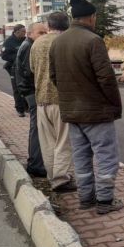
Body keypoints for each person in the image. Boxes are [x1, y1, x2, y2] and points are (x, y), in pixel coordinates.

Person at [50, 0, 123, 215]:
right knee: (106, 156)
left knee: (81, 158)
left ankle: (86, 198)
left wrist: (71, 97)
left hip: (72, 112)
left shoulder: (58, 42)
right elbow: (106, 79)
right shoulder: (93, 41)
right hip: (96, 112)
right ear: (91, 18)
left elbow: (54, 77)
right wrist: (114, 104)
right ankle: (105, 201)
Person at [30, 12, 77, 192]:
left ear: (48, 26)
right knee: (63, 142)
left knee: (48, 143)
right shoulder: (65, 42)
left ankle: (52, 177)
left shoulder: (37, 43)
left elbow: (33, 68)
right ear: (67, 25)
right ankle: (61, 179)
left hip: (41, 99)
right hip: (62, 100)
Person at [16, 23, 48, 178]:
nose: (44, 35)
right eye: (40, 33)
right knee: (37, 129)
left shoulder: (27, 44)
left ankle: (36, 162)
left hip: (29, 91)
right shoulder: (30, 46)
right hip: (32, 92)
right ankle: (36, 164)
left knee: (37, 128)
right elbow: (31, 72)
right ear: (29, 33)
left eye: (45, 32)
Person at [3, 24, 29, 117]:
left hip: (25, 67)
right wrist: (17, 58)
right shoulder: (9, 42)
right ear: (17, 32)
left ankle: (27, 106)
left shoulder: (25, 40)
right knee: (17, 89)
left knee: (27, 87)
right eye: (23, 31)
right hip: (14, 68)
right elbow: (4, 56)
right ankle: (20, 109)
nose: (24, 33)